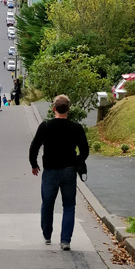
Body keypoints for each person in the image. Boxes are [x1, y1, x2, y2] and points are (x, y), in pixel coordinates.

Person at [29, 95, 89, 251]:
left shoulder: (46, 126)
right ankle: (65, 240)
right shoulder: (76, 128)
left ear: (53, 108)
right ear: (68, 109)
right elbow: (85, 151)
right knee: (69, 206)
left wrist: (34, 164)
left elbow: (34, 147)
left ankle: (47, 235)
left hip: (50, 171)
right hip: (69, 171)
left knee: (47, 204)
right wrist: (76, 163)